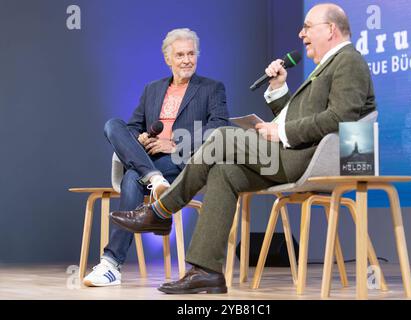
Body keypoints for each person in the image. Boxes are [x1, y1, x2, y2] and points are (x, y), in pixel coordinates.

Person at [111, 3, 376, 294]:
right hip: (290, 153)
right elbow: (301, 117)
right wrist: (278, 89)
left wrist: (280, 131)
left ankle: (161, 211)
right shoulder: (327, 65)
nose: (301, 34)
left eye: (308, 27)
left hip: (305, 158)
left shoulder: (348, 61)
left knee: (221, 136)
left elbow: (342, 119)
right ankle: (206, 270)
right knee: (223, 172)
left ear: (331, 29)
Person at [83, 28, 229, 287]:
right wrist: (138, 139)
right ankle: (153, 178)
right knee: (112, 125)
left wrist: (174, 143)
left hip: (182, 160)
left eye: (191, 54)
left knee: (132, 177)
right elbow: (131, 127)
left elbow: (218, 127)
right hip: (150, 159)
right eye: (180, 54)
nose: (186, 60)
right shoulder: (152, 89)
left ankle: (110, 263)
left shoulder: (211, 89)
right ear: (168, 59)